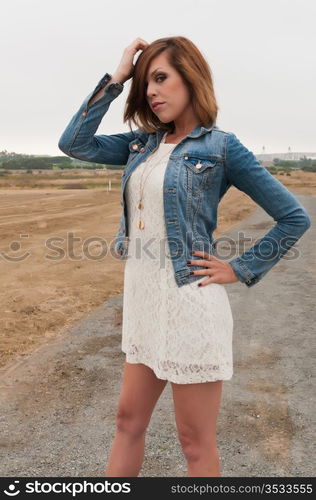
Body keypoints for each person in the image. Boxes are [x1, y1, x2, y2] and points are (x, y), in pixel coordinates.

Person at [58, 36, 311, 477]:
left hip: (189, 306)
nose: (152, 91)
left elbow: (293, 217)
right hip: (144, 305)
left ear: (191, 79)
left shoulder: (221, 148)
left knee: (194, 443)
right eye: (146, 83)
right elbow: (74, 143)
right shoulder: (141, 145)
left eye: (161, 78)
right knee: (126, 422)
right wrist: (117, 79)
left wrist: (239, 268)